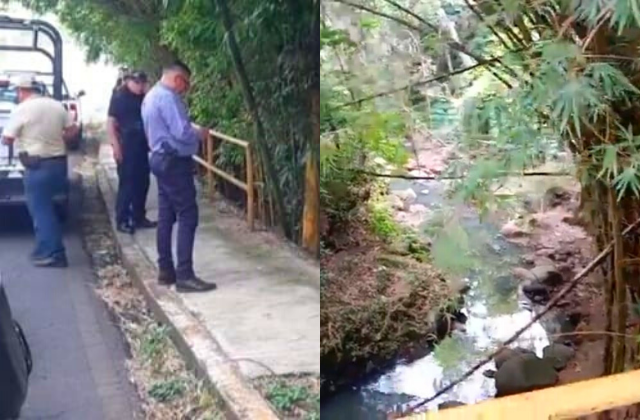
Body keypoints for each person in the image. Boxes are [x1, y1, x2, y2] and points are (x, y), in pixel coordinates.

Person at [141, 61, 216, 293]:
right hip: (174, 162)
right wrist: (199, 134)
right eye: (186, 83)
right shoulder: (168, 98)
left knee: (166, 215)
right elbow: (181, 131)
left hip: (158, 158)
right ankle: (185, 275)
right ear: (177, 79)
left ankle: (166, 270)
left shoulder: (150, 96)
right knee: (187, 214)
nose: (186, 88)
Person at [1, 75, 79, 268]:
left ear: (21, 91)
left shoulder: (21, 109)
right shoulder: (56, 106)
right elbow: (72, 130)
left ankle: (54, 253)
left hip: (36, 165)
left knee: (40, 210)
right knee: (49, 208)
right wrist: (57, 138)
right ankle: (44, 248)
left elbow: (7, 138)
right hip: (58, 163)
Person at [107, 71, 157, 234]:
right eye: (137, 82)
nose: (140, 86)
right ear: (129, 81)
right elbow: (111, 123)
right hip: (126, 145)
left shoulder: (143, 97)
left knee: (143, 182)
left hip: (141, 145)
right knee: (127, 184)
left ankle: (139, 216)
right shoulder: (119, 97)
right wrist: (115, 145)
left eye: (143, 83)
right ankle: (122, 219)